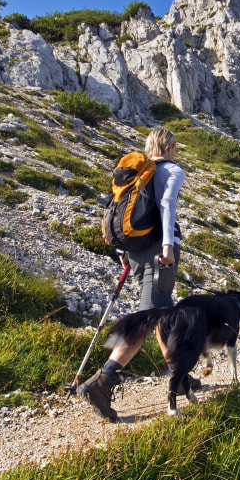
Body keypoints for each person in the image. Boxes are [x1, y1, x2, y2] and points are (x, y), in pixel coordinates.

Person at [78, 126, 185, 421]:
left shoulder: (138, 173)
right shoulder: (172, 171)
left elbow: (119, 212)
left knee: (163, 311)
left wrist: (123, 253)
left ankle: (181, 374)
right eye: (175, 147)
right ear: (170, 146)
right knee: (148, 317)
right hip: (158, 255)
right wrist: (167, 246)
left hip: (135, 253)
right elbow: (167, 205)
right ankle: (102, 381)